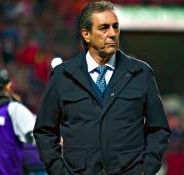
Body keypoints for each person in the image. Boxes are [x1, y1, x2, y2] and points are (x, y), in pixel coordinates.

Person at [33, 1, 171, 175]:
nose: (112, 34)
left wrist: (146, 169)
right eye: (104, 28)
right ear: (86, 34)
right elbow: (44, 130)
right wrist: (58, 170)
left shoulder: (141, 73)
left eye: (115, 27)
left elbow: (159, 129)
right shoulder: (63, 76)